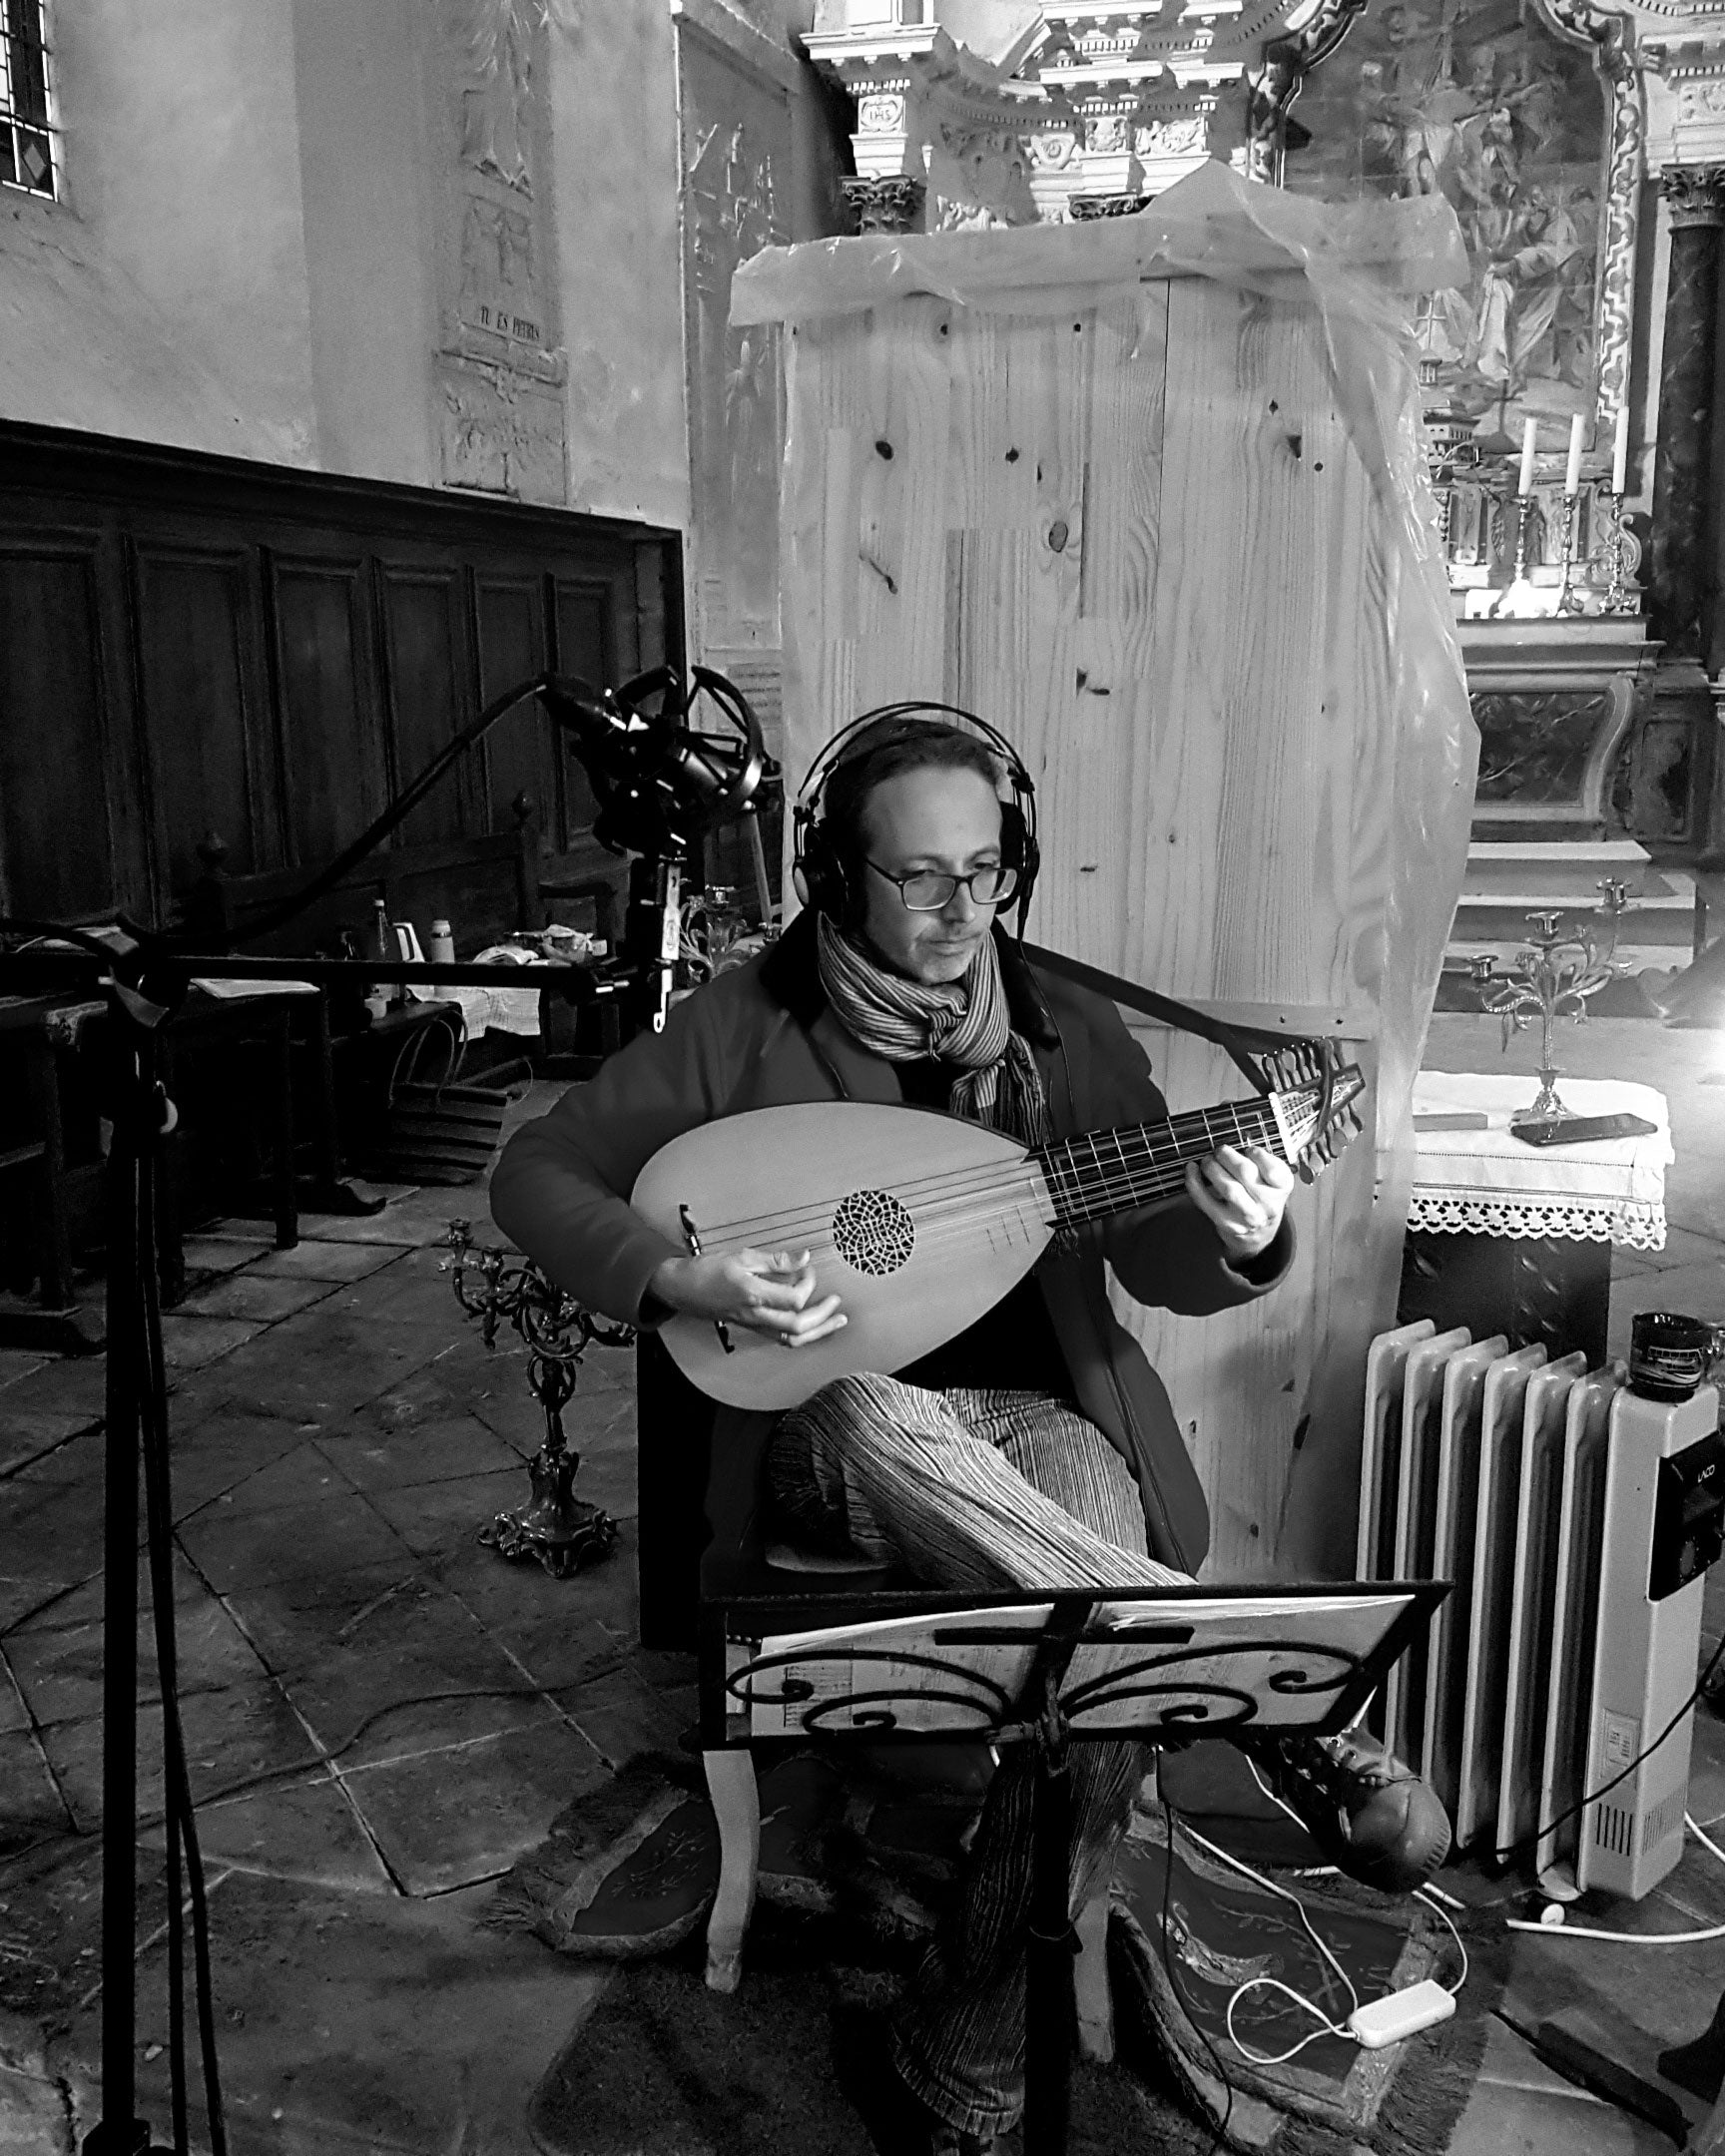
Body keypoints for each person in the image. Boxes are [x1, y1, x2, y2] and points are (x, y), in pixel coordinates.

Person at [491, 713, 1450, 2156]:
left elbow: (1158, 1259)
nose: (959, 910)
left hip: (1039, 1421)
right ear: (838, 875)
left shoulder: (1065, 1032)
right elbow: (537, 1170)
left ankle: (959, 2056)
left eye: (985, 871)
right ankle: (1273, 1699)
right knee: (878, 1409)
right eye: (920, 876)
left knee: (1098, 1656)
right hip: (830, 1434)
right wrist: (680, 1276)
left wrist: (1244, 1229)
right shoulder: (746, 1025)